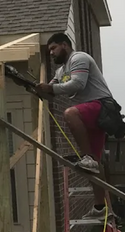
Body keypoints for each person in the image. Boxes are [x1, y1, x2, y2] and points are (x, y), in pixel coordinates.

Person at [36, 32, 116, 214]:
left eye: (53, 48)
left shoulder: (79, 58)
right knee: (94, 164)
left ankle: (87, 158)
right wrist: (34, 87)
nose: (51, 53)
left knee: (70, 113)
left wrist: (51, 88)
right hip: (90, 112)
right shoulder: (60, 71)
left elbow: (78, 84)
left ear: (64, 45)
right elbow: (50, 90)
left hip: (102, 106)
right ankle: (100, 206)